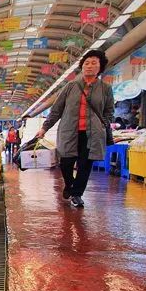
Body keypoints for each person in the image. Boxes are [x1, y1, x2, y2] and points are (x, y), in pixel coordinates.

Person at [38, 49, 114, 208]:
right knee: (66, 162)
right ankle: (69, 184)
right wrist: (44, 128)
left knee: (85, 165)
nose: (90, 66)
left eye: (94, 63)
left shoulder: (105, 88)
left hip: (92, 134)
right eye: (86, 63)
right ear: (81, 66)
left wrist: (103, 124)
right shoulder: (70, 86)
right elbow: (56, 110)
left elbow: (109, 111)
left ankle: (77, 194)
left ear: (100, 67)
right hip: (69, 131)